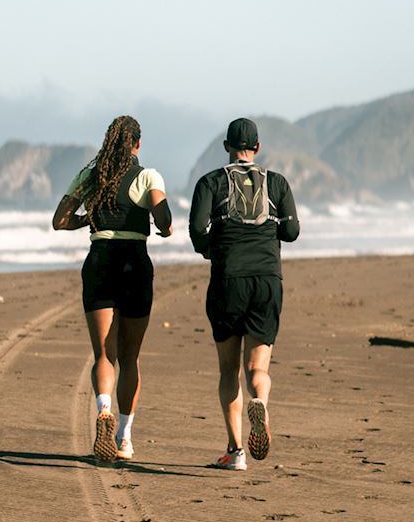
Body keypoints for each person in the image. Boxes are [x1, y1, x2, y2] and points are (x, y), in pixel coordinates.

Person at [53, 115, 173, 463]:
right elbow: (163, 218)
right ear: (137, 144)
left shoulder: (91, 177)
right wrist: (162, 227)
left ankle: (102, 409)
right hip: (134, 262)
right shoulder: (148, 176)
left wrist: (87, 220)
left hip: (99, 259)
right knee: (130, 356)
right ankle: (124, 436)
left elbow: (59, 220)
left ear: (109, 144)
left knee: (104, 355)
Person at [189, 118, 299, 470]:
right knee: (257, 367)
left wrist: (214, 250)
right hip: (267, 279)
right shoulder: (277, 183)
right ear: (257, 147)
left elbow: (196, 231)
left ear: (227, 147)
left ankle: (236, 452)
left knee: (227, 370)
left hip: (228, 280)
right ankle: (261, 403)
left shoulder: (210, 182)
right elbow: (293, 231)